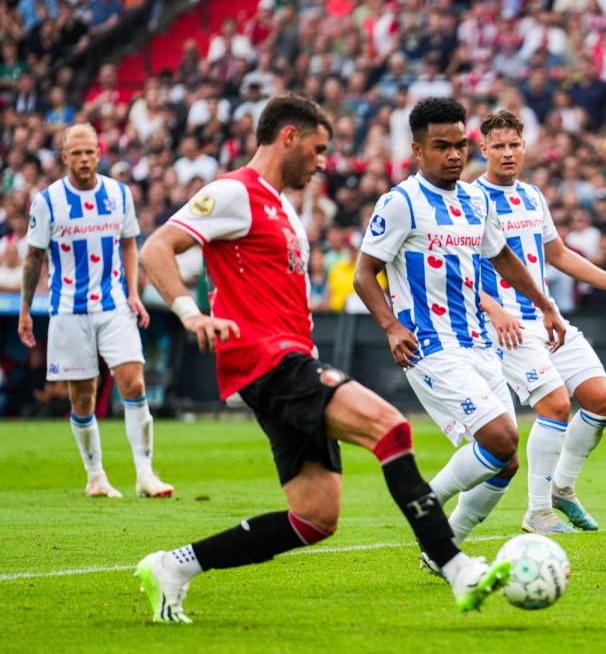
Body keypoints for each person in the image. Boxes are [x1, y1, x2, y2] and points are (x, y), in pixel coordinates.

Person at [135, 94, 509, 623]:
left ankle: (174, 567)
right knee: (391, 428)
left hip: (287, 360)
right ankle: (455, 566)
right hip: (269, 360)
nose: (321, 162)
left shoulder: (281, 207)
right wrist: (190, 313)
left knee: (315, 518)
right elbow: (157, 248)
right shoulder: (233, 192)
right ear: (288, 137)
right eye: (317, 149)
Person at [352, 98, 567, 568]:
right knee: (501, 438)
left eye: (460, 145)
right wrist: (391, 327)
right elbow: (364, 273)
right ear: (417, 150)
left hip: (480, 343)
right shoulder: (400, 203)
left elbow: (504, 257)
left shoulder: (475, 199)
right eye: (441, 146)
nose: (454, 154)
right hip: (430, 346)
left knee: (505, 459)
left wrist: (544, 304)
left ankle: (441, 546)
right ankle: (426, 506)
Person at [472, 109, 606, 534]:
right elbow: (457, 270)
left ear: (525, 147)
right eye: (498, 146)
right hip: (504, 326)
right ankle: (538, 512)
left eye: (514, 145)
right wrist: (493, 307)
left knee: (602, 401)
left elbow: (558, 254)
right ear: (483, 149)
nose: (507, 153)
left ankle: (562, 488)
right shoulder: (470, 200)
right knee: (556, 405)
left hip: (547, 319)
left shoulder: (531, 196)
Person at [18, 123, 171, 499]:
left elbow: (130, 243)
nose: (84, 159)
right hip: (69, 311)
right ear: (65, 157)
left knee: (133, 382)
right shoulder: (48, 201)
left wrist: (133, 293)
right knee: (83, 395)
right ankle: (95, 475)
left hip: (114, 305)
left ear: (99, 154)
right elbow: (34, 257)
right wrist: (25, 310)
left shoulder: (119, 194)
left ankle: (145, 473)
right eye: (77, 153)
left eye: (90, 152)